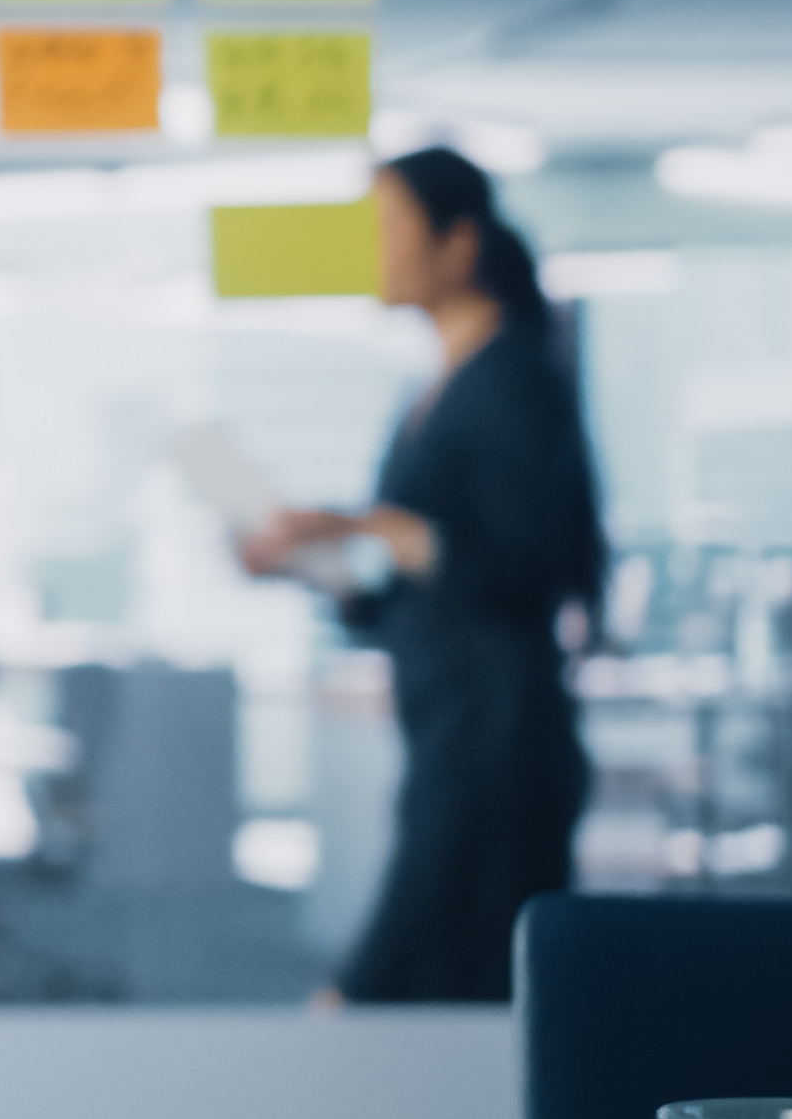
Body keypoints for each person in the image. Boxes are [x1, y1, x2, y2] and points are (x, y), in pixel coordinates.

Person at [241, 145, 608, 1005]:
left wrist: (371, 525)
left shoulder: (511, 377)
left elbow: (525, 560)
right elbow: (415, 597)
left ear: (457, 244)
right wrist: (316, 567)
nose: (375, 249)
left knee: (447, 969)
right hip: (448, 714)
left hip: (498, 734)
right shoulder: (434, 388)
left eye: (388, 227)